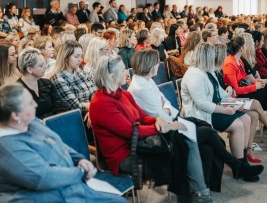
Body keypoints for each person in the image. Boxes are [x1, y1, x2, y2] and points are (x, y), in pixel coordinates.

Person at [129, 49, 264, 184]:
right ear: (149, 65)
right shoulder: (140, 88)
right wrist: (165, 109)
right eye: (156, 62)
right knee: (209, 133)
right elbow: (162, 114)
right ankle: (238, 165)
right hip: (162, 131)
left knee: (209, 136)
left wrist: (165, 109)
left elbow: (167, 104)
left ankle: (237, 166)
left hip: (171, 121)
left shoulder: (148, 81)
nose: (159, 64)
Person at [89, 55, 213, 202]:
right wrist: (163, 127)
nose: (126, 73)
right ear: (111, 76)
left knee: (182, 142)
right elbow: (130, 132)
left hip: (137, 144)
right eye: (123, 71)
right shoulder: (101, 103)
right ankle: (199, 196)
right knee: (180, 148)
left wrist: (157, 120)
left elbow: (142, 118)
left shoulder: (124, 94)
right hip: (124, 156)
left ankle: (198, 195)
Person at [0, 84, 126, 203]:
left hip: (66, 188)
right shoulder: (7, 148)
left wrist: (80, 159)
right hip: (47, 197)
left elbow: (57, 142)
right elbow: (44, 177)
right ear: (15, 116)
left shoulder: (28, 121)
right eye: (29, 103)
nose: (35, 104)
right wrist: (81, 172)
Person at [17, 48, 68, 119]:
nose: (45, 67)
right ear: (29, 69)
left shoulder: (47, 84)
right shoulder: (16, 91)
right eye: (41, 65)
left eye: (44, 64)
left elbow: (59, 105)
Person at [51, 41, 96, 113]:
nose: (80, 60)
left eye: (81, 56)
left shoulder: (83, 73)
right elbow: (76, 108)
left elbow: (96, 95)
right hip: (78, 118)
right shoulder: (58, 79)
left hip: (92, 113)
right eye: (76, 56)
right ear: (66, 58)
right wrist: (94, 107)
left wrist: (92, 110)